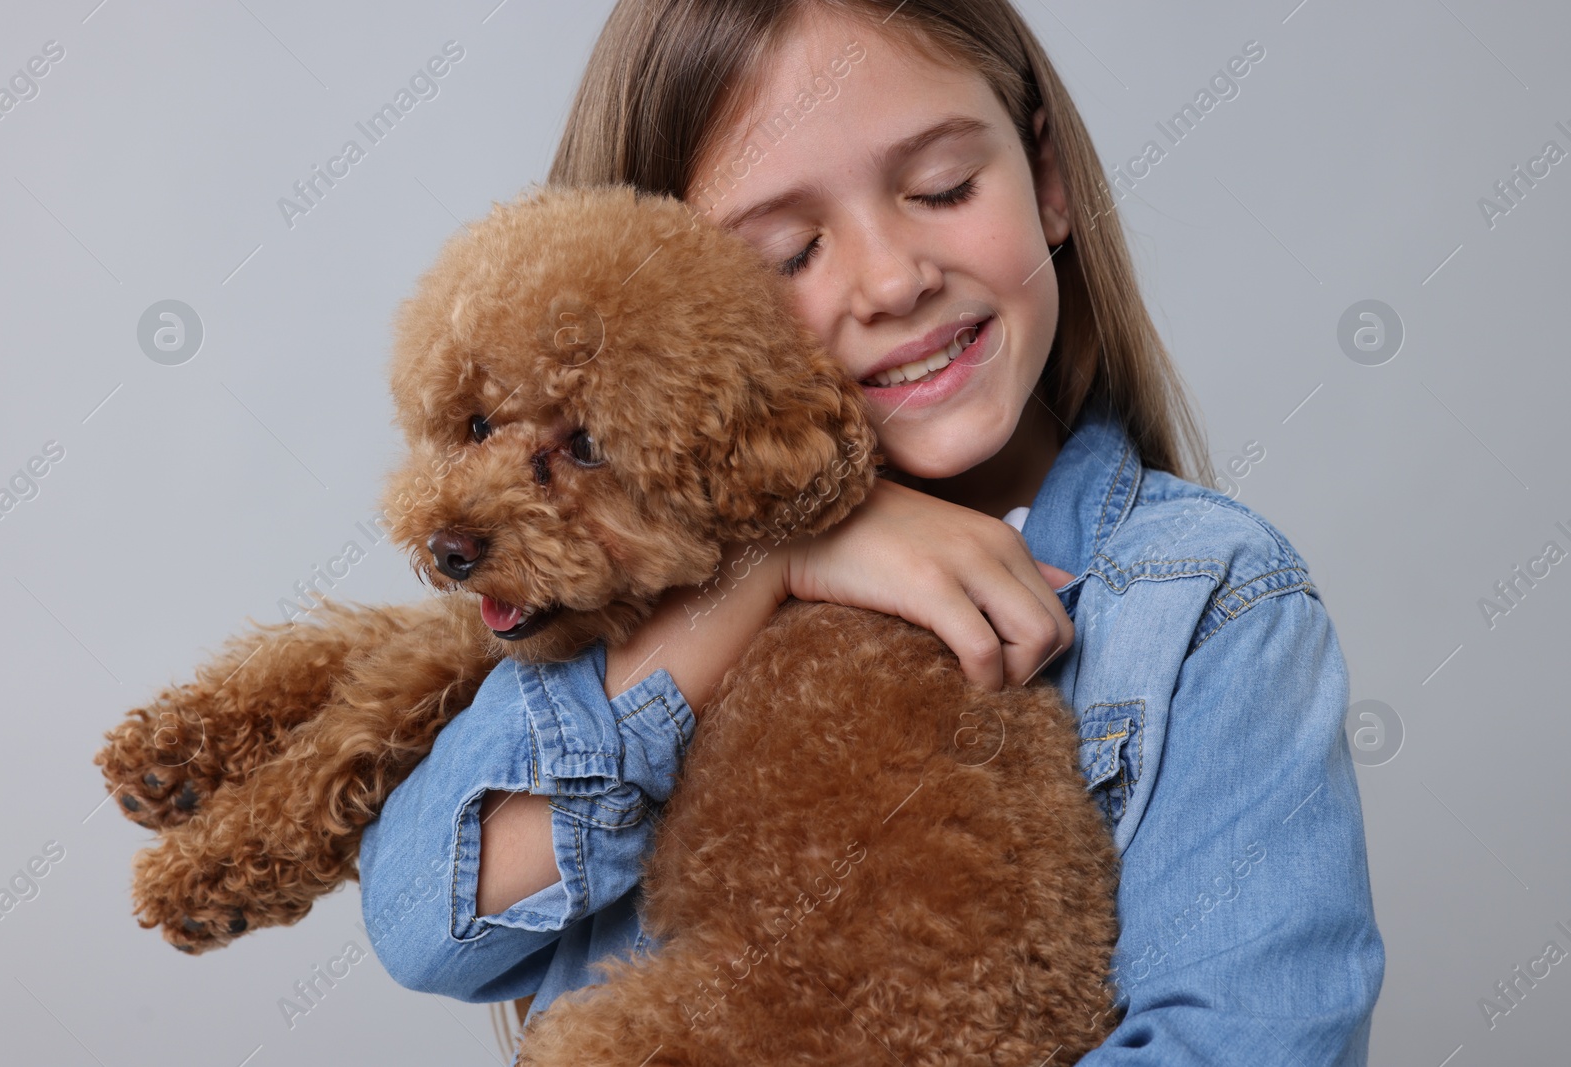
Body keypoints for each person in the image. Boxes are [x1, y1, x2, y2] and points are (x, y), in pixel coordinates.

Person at [358, 1, 1386, 1063]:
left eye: (944, 188)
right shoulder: (632, 593)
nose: (894, 280)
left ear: (1047, 179)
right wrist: (767, 566)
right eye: (787, 253)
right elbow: (419, 919)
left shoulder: (1206, 600)